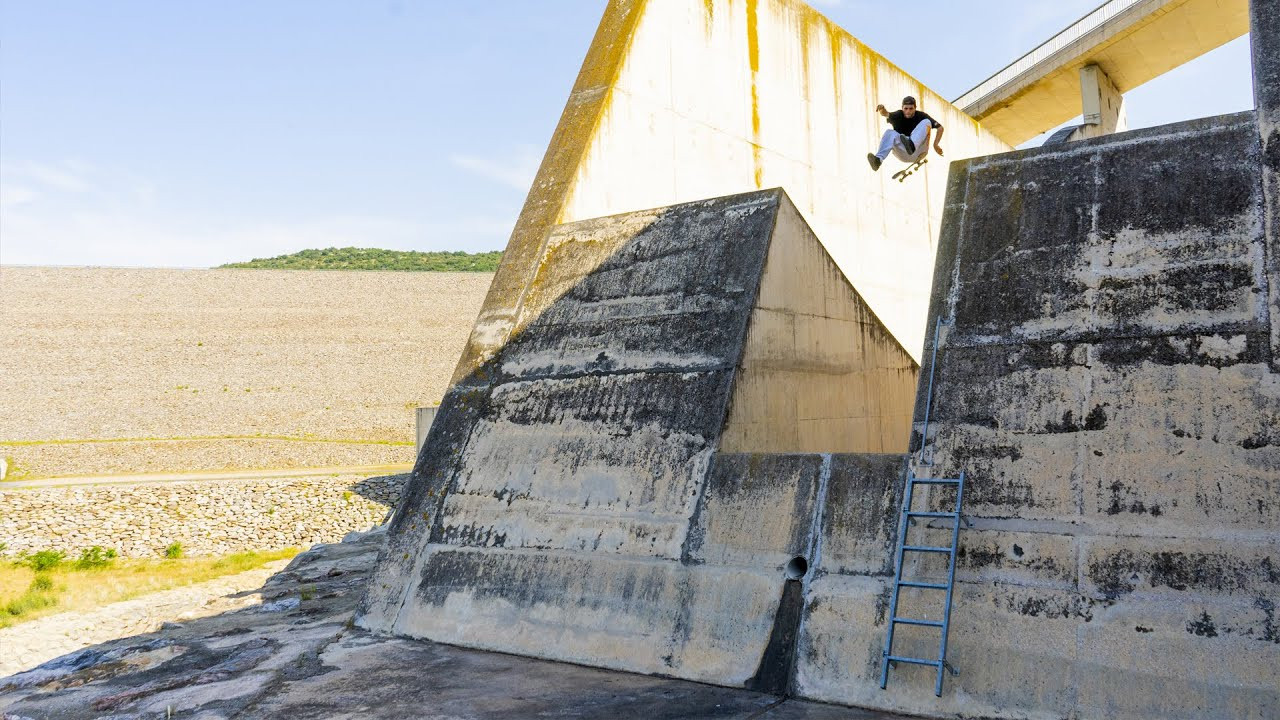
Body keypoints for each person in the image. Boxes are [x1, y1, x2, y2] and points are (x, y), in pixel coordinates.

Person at [867, 96, 944, 171]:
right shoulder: (898, 115)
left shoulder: (921, 115)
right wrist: (882, 108)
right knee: (889, 133)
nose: (908, 111)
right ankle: (878, 160)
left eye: (911, 109)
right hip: (902, 153)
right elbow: (885, 113)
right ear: (902, 108)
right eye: (906, 108)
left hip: (919, 151)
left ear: (915, 108)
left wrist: (935, 144)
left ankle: (912, 145)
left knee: (927, 121)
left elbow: (940, 128)